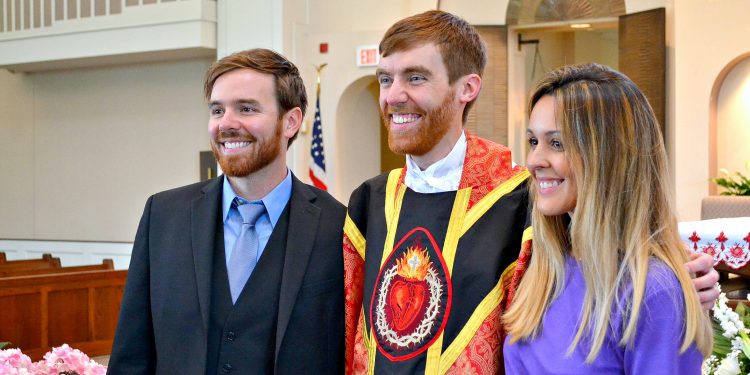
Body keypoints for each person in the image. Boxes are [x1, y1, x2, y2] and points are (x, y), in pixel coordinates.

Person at [343, 10, 718, 374]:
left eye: (416, 78)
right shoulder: (369, 202)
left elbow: (621, 242)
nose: (392, 96)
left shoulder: (521, 196)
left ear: (468, 88)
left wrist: (684, 280)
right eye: (385, 79)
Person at [107, 49, 345, 374]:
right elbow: (132, 353)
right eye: (217, 110)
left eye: (246, 108)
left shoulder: (338, 225)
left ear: (290, 121)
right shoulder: (163, 216)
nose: (226, 124)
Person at [503, 63, 712, 373]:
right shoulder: (546, 267)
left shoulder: (650, 292)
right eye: (534, 141)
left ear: (609, 157)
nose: (534, 161)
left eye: (556, 143)